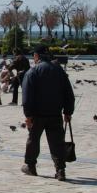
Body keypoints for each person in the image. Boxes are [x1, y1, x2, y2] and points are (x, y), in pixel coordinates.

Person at [21, 44, 75, 181]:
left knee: (33, 141)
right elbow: (68, 93)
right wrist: (68, 111)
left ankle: (31, 166)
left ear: (36, 56)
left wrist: (28, 116)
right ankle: (60, 170)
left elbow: (27, 97)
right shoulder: (59, 70)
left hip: (37, 114)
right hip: (55, 113)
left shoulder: (33, 72)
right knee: (57, 142)